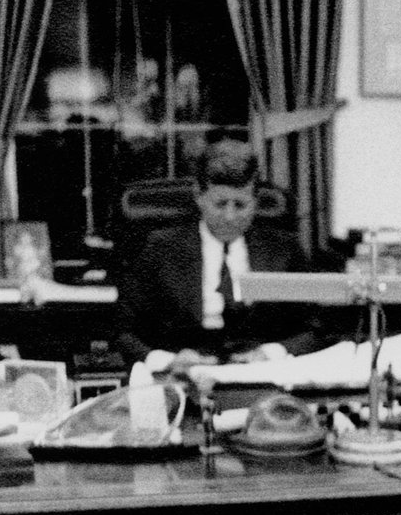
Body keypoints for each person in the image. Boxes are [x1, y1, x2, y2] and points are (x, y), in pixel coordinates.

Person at [115, 134, 332, 372]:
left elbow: (315, 328)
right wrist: (168, 361)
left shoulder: (283, 250)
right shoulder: (160, 248)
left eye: (241, 205)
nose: (230, 217)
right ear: (199, 196)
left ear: (256, 201)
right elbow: (122, 331)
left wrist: (270, 354)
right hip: (183, 375)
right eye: (220, 204)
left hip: (259, 376)